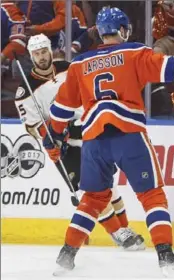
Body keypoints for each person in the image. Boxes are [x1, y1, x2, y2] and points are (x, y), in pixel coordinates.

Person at [42, 6, 174, 275]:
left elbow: (60, 110)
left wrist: (53, 137)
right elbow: (171, 67)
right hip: (128, 133)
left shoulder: (79, 64)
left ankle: (66, 255)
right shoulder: (133, 52)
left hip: (94, 139)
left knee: (92, 199)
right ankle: (166, 256)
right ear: (121, 30)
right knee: (152, 195)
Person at [14, 34, 145, 252]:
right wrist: (52, 136)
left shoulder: (69, 67)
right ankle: (118, 234)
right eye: (36, 54)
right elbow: (31, 125)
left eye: (44, 51)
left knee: (108, 186)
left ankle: (125, 229)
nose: (41, 57)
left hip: (88, 133)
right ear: (31, 56)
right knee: (91, 190)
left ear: (51, 50)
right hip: (63, 146)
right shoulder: (25, 89)